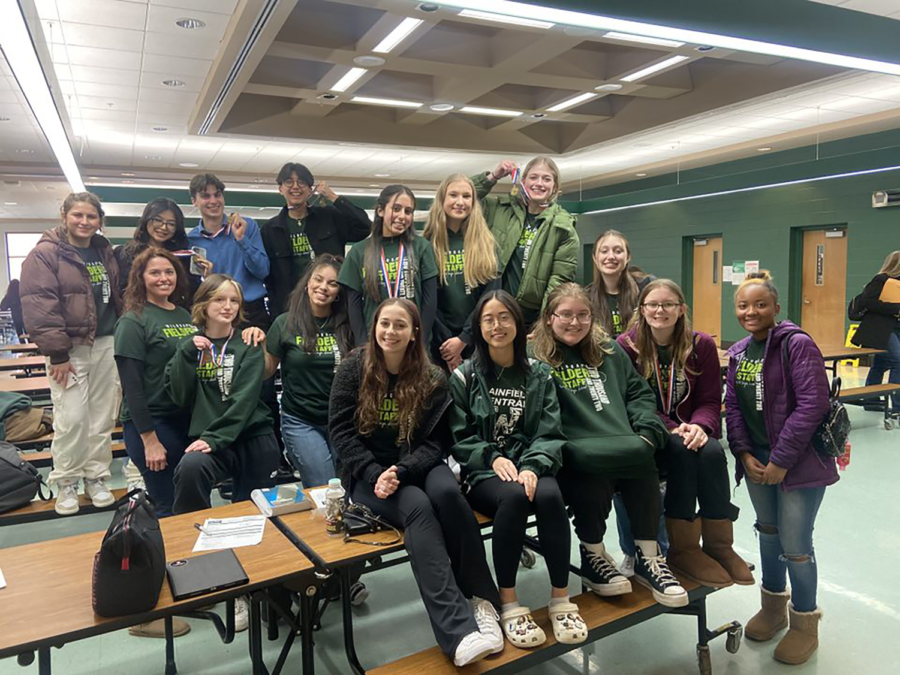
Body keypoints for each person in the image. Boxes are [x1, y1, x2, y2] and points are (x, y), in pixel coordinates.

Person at [330, 298, 504, 667]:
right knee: (418, 509)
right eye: (384, 324)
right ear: (374, 327)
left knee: (448, 495)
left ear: (414, 334)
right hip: (367, 474)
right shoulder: (352, 369)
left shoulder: (431, 377)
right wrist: (377, 473)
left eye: (400, 326)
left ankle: (484, 603)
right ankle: (458, 631)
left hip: (415, 465)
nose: (390, 332)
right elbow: (342, 434)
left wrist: (404, 470)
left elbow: (437, 443)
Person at [530, 283, 688, 608]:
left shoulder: (609, 352)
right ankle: (593, 555)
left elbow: (638, 395)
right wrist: (570, 446)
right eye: (566, 315)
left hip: (624, 445)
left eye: (583, 315)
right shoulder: (536, 360)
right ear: (549, 318)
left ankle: (649, 558)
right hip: (572, 452)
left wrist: (647, 433)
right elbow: (537, 415)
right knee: (594, 470)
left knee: (641, 461)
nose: (575, 323)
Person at [450, 290, 586, 649]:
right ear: (479, 327)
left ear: (517, 323)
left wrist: (532, 465)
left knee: (551, 495)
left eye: (504, 317)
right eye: (488, 319)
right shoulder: (464, 376)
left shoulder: (540, 374)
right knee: (512, 498)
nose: (497, 325)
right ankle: (509, 602)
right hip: (483, 474)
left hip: (530, 466)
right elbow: (459, 437)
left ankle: (561, 597)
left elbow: (550, 430)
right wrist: (491, 457)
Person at [725, 271, 835, 665]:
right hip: (756, 462)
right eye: (742, 305)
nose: (750, 312)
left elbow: (812, 405)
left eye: (759, 305)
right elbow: (734, 408)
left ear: (775, 307)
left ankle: (805, 623)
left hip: (798, 464)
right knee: (767, 534)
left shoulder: (797, 345)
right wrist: (742, 452)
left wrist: (781, 460)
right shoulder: (738, 352)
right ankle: (772, 608)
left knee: (796, 546)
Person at [618, 279, 754, 588]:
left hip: (692, 429)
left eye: (668, 304)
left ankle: (719, 545)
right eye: (652, 304)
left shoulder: (700, 344)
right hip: (649, 432)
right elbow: (629, 401)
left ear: (681, 310)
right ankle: (684, 549)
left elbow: (708, 398)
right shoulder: (626, 347)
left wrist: (701, 426)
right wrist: (673, 427)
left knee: (714, 452)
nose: (660, 310)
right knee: (680, 450)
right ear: (642, 309)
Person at [21, 192, 122, 515]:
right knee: (72, 418)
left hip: (107, 342)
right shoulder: (45, 254)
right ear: (64, 215)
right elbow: (40, 306)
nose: (84, 222)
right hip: (70, 349)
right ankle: (66, 481)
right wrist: (58, 354)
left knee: (102, 417)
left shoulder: (103, 250)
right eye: (78, 215)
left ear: (99, 221)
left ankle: (96, 477)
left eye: (91, 217)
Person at [164, 274, 279, 514]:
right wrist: (185, 355)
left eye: (234, 301)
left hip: (252, 437)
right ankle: (194, 538)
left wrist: (214, 438)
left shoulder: (249, 343)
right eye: (219, 300)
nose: (228, 307)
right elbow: (180, 397)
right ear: (203, 303)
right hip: (212, 441)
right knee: (190, 468)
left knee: (252, 515)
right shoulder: (189, 346)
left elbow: (244, 401)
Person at [114, 248, 196, 517]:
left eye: (169, 271)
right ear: (140, 277)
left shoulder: (185, 315)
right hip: (153, 424)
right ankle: (168, 560)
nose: (164, 278)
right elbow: (132, 386)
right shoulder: (133, 320)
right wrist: (149, 439)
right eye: (155, 272)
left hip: (185, 420)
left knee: (191, 502)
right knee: (168, 505)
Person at [263, 254, 351, 488]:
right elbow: (265, 371)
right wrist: (253, 340)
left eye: (332, 283)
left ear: (339, 291)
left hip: (342, 420)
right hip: (301, 421)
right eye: (318, 280)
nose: (323, 287)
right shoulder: (285, 323)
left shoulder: (349, 324)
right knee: (324, 488)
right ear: (307, 283)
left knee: (346, 487)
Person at [472, 157, 579, 328]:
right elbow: (465, 196)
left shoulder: (563, 228)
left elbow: (558, 281)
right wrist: (493, 176)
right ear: (523, 181)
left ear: (555, 187)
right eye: (533, 177)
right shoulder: (501, 209)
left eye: (546, 179)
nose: (539, 183)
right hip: (492, 309)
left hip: (530, 318)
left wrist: (545, 323)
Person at [261, 162, 371, 317]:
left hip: (332, 304)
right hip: (291, 309)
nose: (295, 187)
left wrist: (333, 197)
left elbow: (364, 226)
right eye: (289, 182)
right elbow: (270, 279)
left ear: (310, 189)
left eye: (302, 182)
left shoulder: (329, 217)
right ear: (280, 189)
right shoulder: (270, 230)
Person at [338, 185, 438, 346]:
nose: (402, 216)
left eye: (408, 211)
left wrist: (422, 341)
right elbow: (354, 306)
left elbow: (430, 301)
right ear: (380, 211)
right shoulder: (359, 251)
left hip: (412, 340)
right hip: (375, 341)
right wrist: (363, 345)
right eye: (396, 209)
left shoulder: (421, 247)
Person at [424, 173, 500, 371]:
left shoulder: (486, 243)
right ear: (442, 200)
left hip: (477, 339)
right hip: (439, 344)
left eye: (467, 196)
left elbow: (489, 296)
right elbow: (428, 299)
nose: (460, 202)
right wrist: (449, 344)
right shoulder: (426, 244)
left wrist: (464, 339)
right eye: (453, 195)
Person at [186, 174, 271, 329]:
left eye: (217, 195)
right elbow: (196, 287)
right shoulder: (192, 241)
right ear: (194, 201)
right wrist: (208, 278)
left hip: (252, 312)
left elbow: (262, 271)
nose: (213, 201)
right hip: (217, 313)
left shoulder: (247, 227)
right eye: (205, 196)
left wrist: (241, 240)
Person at [114, 198, 210, 301]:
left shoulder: (183, 256)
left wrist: (206, 277)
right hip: (138, 311)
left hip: (174, 313)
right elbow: (121, 291)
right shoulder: (125, 253)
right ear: (146, 219)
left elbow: (192, 294)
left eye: (171, 224)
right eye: (158, 220)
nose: (164, 227)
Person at [851, 250, 900, 412]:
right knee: (898, 361)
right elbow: (868, 302)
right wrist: (896, 308)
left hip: (895, 328)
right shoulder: (880, 280)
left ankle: (871, 400)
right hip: (881, 329)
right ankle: (897, 406)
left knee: (880, 363)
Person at [588, 229, 654, 339]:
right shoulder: (587, 296)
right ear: (595, 258)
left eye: (618, 251)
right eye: (604, 251)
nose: (611, 257)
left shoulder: (647, 286)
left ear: (628, 257)